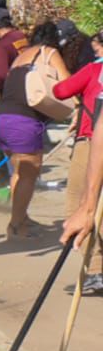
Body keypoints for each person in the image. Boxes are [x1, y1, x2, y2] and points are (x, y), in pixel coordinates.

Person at [0, 22, 73, 238]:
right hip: (23, 120)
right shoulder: (49, 52)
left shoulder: (21, 56)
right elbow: (67, 83)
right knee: (29, 173)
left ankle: (21, 217)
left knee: (19, 172)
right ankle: (16, 225)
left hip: (2, 118)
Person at [60, 28, 103, 295]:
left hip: (89, 143)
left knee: (77, 203)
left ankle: (97, 269)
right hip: (93, 140)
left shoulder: (92, 71)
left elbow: (61, 89)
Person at [0, 7, 27, 99]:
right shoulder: (20, 35)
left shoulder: (2, 44)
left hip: (14, 92)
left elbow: (1, 76)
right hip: (28, 84)